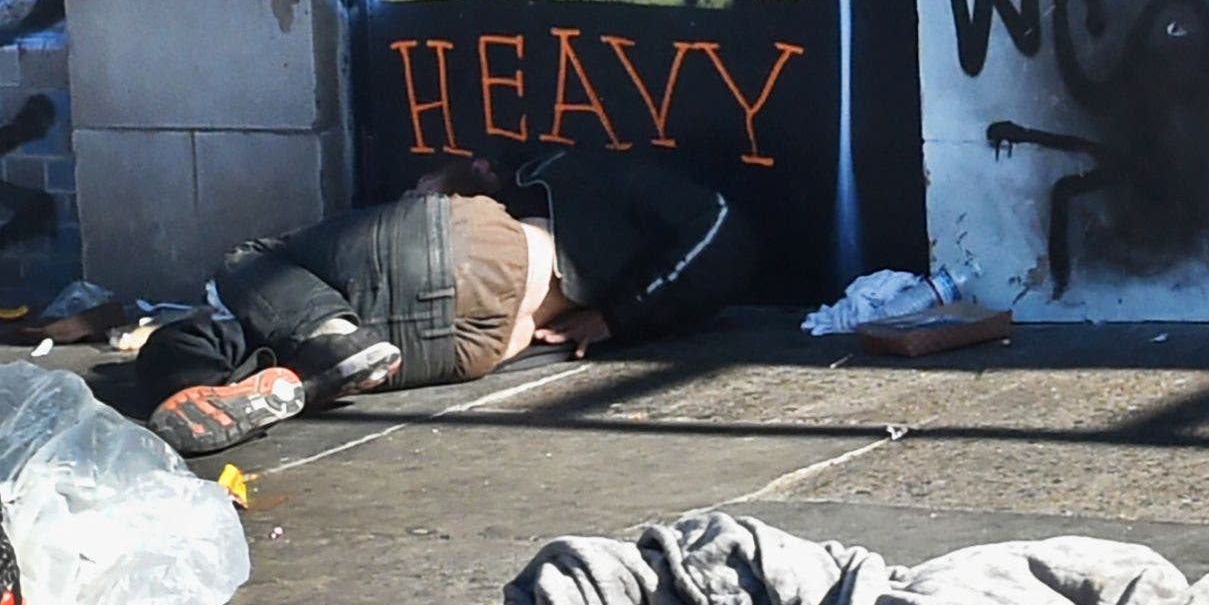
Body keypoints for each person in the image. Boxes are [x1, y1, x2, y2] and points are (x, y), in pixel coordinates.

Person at [133, 150, 757, 455]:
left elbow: (725, 227)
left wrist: (621, 314)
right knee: (217, 337)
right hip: (470, 347)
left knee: (247, 258)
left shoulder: (582, 167)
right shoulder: (564, 179)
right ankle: (285, 367)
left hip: (478, 258)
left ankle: (320, 341)